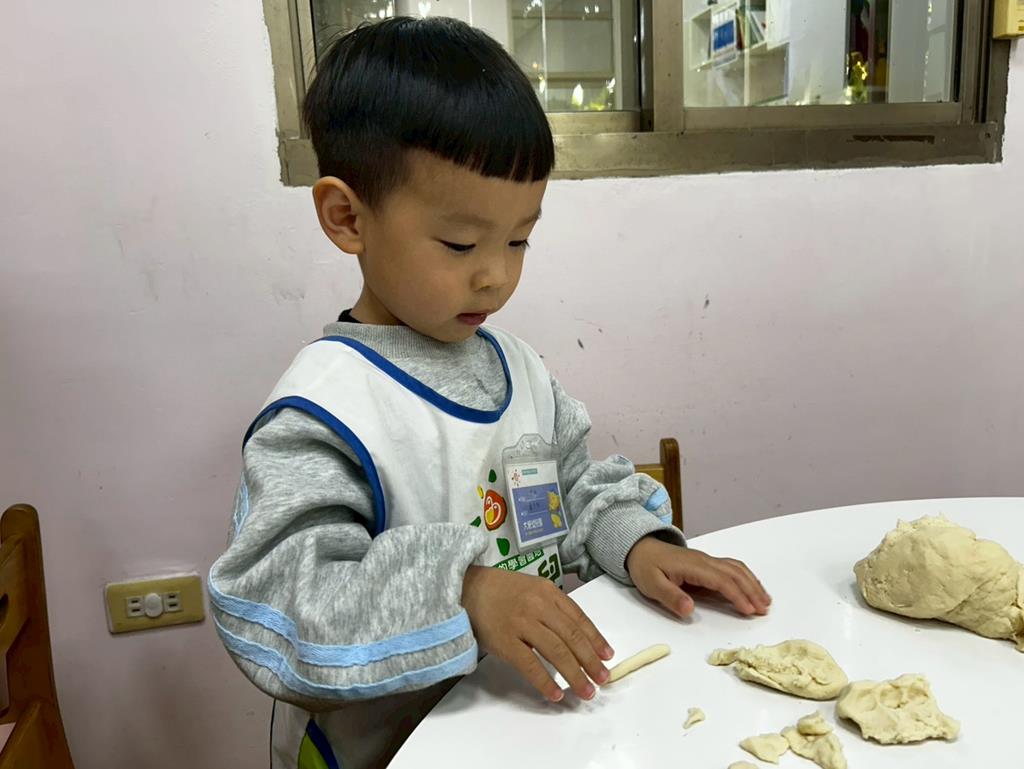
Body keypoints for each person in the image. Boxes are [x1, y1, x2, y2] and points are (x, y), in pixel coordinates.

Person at [208, 16, 771, 769]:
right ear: (348, 218)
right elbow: (277, 605)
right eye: (460, 244)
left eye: (518, 240)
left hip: (530, 732)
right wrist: (464, 593)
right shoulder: (327, 410)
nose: (496, 276)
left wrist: (634, 543)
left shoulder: (518, 371)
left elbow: (576, 487)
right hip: (389, 751)